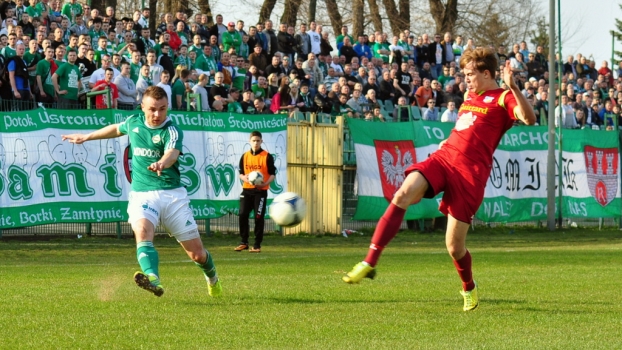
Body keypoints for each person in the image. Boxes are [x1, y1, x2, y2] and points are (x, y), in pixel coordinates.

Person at [342, 48, 536, 312]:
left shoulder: (503, 98)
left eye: (470, 74)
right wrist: (450, 140)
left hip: (470, 176)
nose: (466, 79)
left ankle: (469, 287)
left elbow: (528, 118)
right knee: (402, 194)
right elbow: (467, 128)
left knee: (454, 247)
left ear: (487, 73)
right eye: (465, 74)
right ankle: (369, 261)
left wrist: (513, 87)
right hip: (444, 158)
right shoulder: (470, 97)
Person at [61, 86, 223, 298]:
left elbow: (172, 154)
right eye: (153, 109)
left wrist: (161, 163)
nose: (157, 114)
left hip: (172, 195)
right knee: (143, 232)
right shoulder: (134, 122)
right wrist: (86, 137)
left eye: (163, 109)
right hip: (142, 194)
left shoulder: (172, 130)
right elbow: (116, 129)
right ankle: (153, 279)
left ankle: (213, 280)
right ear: (143, 107)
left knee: (197, 254)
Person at [235, 131, 276, 253]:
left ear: (261, 141)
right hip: (247, 190)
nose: (256, 143)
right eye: (254, 140)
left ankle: (257, 245)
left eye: (258, 141)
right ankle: (244, 242)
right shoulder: (245, 156)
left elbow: (273, 174)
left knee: (258, 217)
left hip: (260, 191)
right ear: (250, 141)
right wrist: (244, 178)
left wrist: (265, 183)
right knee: (243, 214)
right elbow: (241, 173)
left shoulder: (267, 156)